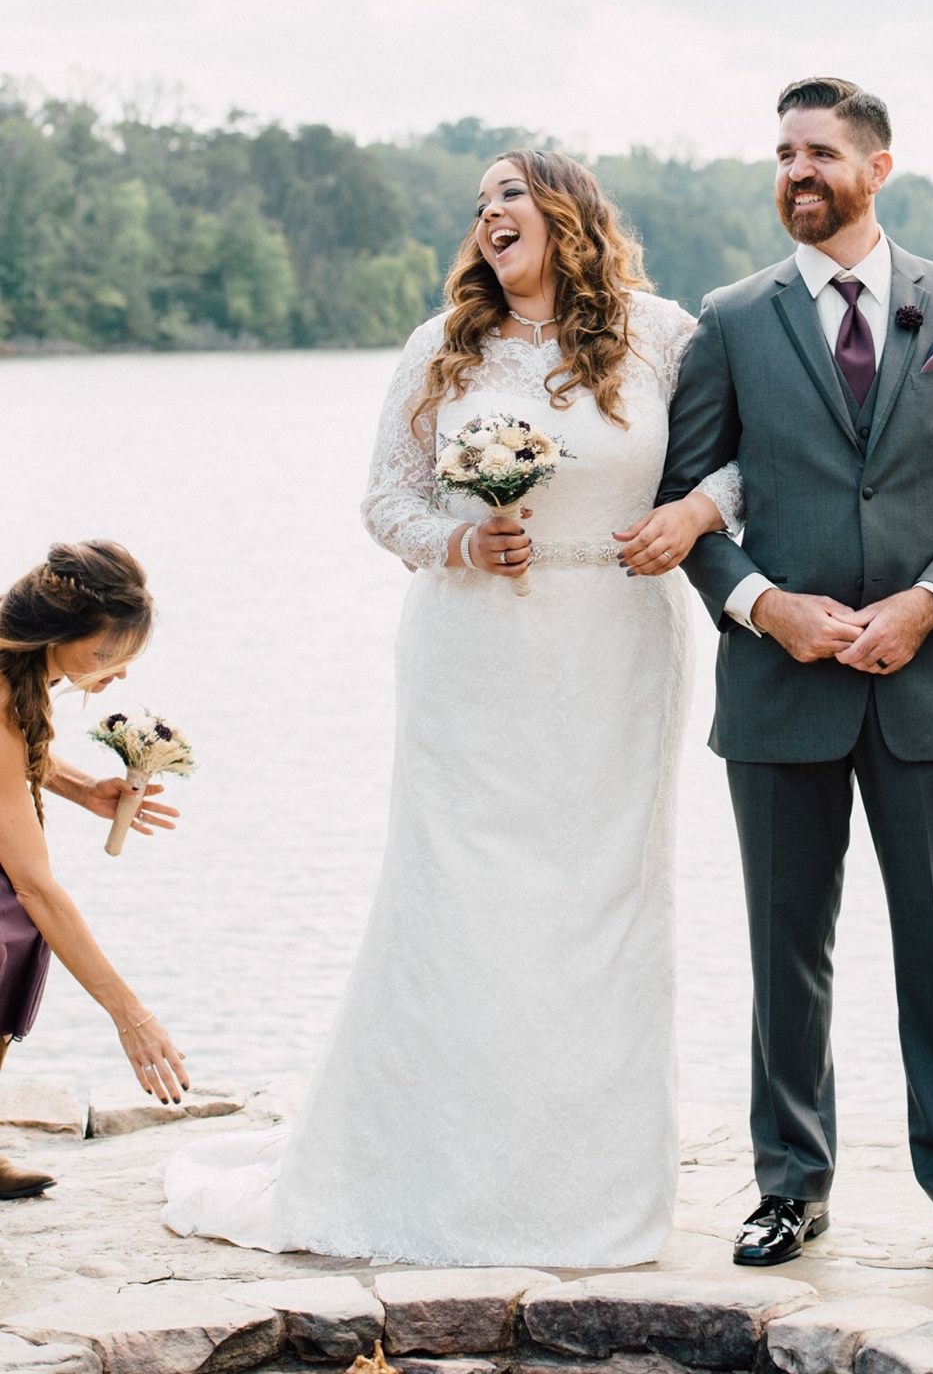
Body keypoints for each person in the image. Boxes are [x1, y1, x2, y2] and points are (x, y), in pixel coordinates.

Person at [164, 148, 739, 1266]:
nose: (489, 212)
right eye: (479, 201)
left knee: (600, 905)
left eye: (510, 192)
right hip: (471, 647)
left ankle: (585, 1191)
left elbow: (746, 464)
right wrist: (462, 537)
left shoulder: (664, 333)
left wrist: (697, 515)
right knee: (458, 899)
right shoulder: (443, 346)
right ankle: (427, 1173)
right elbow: (386, 499)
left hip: (615, 641)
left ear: (568, 210)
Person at [658, 75, 933, 1271]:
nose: (795, 172)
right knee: (786, 950)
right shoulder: (729, 317)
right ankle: (789, 1184)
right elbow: (690, 508)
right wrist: (766, 606)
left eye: (819, 151)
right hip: (778, 693)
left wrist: (929, 604)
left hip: (928, 687)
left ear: (878, 166)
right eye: (782, 153)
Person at [0, 540, 189, 1198]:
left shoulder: (21, 668)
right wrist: (130, 1015)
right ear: (56, 632)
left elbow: (18, 750)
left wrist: (83, 789)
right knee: (15, 918)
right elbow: (36, 885)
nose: (118, 671)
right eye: (106, 654)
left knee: (14, 927)